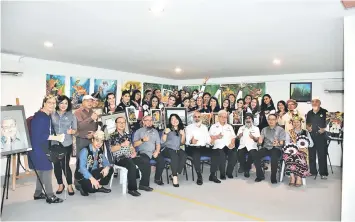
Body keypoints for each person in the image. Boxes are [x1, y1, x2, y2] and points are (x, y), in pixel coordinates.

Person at [29, 95, 64, 203]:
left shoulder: (45, 115)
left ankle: (38, 193)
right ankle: (50, 196)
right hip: (39, 149)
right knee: (48, 170)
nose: (52, 105)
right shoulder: (41, 117)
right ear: (44, 103)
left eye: (54, 103)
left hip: (39, 148)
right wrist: (56, 137)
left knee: (40, 171)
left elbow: (45, 132)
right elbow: (39, 135)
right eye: (49, 102)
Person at [107, 116, 142, 196]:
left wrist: (133, 151)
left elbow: (131, 146)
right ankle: (132, 189)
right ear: (116, 124)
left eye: (123, 123)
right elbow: (111, 149)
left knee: (143, 161)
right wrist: (122, 145)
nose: (122, 124)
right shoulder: (112, 135)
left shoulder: (127, 135)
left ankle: (143, 184)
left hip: (128, 156)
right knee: (131, 165)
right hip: (119, 158)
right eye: (120, 122)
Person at [185, 111, 221, 185]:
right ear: (193, 118)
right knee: (196, 154)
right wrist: (191, 141)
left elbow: (208, 139)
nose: (197, 119)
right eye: (195, 117)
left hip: (203, 147)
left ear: (201, 118)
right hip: (192, 148)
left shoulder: (204, 127)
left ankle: (212, 175)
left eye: (198, 117)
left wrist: (212, 140)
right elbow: (187, 140)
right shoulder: (188, 127)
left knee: (216, 152)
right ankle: (199, 176)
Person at [51, 95, 77, 196]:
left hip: (66, 143)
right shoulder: (52, 114)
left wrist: (72, 131)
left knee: (65, 165)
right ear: (58, 103)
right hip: (54, 143)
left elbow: (75, 130)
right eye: (61, 103)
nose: (63, 105)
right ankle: (60, 185)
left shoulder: (71, 115)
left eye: (66, 103)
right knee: (56, 165)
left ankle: (70, 185)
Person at [75, 130, 113, 196]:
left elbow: (106, 162)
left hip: (93, 172)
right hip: (83, 175)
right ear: (92, 140)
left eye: (101, 142)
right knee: (92, 190)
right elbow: (82, 168)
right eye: (97, 140)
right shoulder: (85, 151)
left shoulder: (99, 150)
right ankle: (82, 187)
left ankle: (99, 186)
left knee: (110, 169)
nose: (99, 143)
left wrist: (107, 167)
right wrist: (92, 179)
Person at [133, 115, 165, 187]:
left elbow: (158, 144)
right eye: (147, 120)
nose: (149, 122)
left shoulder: (155, 131)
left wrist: (157, 151)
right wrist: (142, 140)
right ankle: (143, 185)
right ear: (143, 122)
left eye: (151, 120)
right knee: (146, 163)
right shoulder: (139, 131)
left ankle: (157, 179)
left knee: (161, 160)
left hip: (153, 152)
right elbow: (134, 144)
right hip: (143, 152)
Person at [254, 114, 286, 183]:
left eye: (273, 119)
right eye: (269, 119)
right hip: (266, 147)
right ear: (267, 120)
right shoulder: (264, 129)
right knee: (256, 155)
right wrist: (259, 142)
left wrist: (278, 143)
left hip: (276, 148)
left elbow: (282, 143)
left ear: (276, 120)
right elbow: (260, 141)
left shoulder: (281, 130)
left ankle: (273, 177)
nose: (271, 121)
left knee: (274, 156)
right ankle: (260, 175)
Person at [284, 115, 314, 186]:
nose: (296, 124)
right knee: (289, 155)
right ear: (292, 123)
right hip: (292, 151)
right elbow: (287, 143)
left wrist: (304, 146)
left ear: (301, 123)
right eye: (294, 122)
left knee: (299, 155)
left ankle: (299, 177)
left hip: (302, 151)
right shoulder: (289, 132)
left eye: (297, 122)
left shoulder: (306, 132)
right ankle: (292, 177)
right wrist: (294, 146)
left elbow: (311, 144)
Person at [209, 110, 237, 179]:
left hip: (228, 145)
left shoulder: (229, 126)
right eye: (222, 117)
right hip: (218, 146)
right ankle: (222, 173)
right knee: (222, 155)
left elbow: (233, 137)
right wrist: (217, 137)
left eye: (225, 117)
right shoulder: (213, 126)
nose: (224, 118)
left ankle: (229, 172)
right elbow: (209, 137)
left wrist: (232, 143)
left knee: (234, 154)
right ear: (218, 117)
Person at [161, 114, 187, 187]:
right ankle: (175, 177)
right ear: (170, 121)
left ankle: (174, 173)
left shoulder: (181, 130)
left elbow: (182, 143)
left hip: (177, 149)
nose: (174, 120)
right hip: (167, 149)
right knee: (175, 157)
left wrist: (183, 135)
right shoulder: (168, 129)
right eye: (172, 119)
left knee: (184, 155)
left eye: (176, 119)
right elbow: (162, 142)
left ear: (179, 120)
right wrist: (165, 133)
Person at [306, 97, 328, 179]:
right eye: (313, 102)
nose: (314, 103)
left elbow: (329, 124)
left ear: (320, 103)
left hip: (322, 137)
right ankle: (312, 172)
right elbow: (307, 123)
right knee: (311, 155)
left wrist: (324, 129)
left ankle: (323, 173)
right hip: (311, 137)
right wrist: (308, 127)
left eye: (316, 102)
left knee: (322, 155)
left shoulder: (325, 112)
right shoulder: (309, 113)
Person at [236, 113, 260, 178]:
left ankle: (246, 168)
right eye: (246, 118)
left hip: (252, 146)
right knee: (240, 153)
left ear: (252, 119)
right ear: (244, 120)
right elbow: (237, 138)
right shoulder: (241, 128)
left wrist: (253, 137)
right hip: (243, 146)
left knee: (252, 154)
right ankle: (242, 166)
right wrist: (239, 136)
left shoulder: (256, 128)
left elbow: (257, 140)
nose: (248, 120)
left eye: (249, 118)